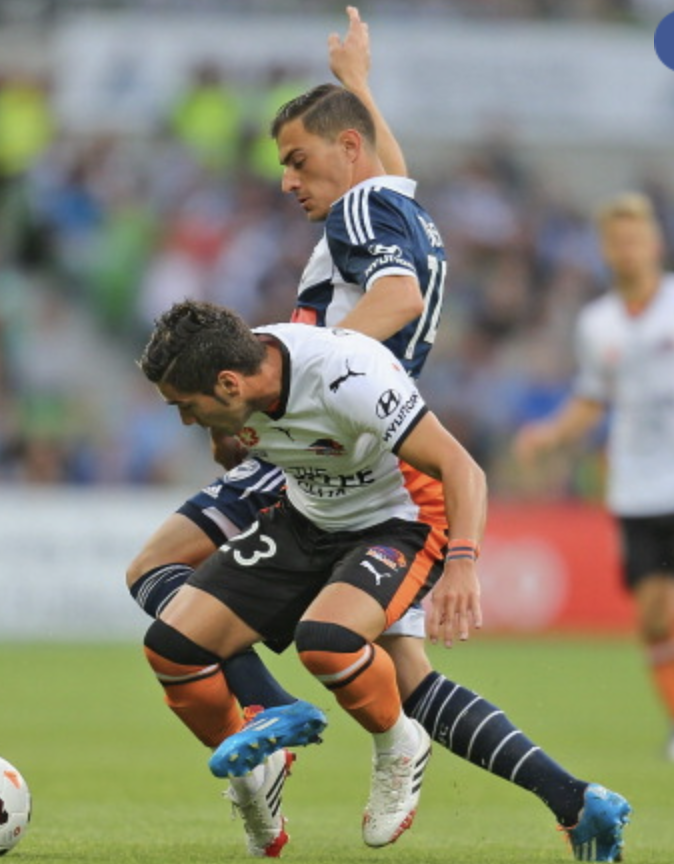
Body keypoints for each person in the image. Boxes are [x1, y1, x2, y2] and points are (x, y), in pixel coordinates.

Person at [128, 8, 632, 863]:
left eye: (298, 160)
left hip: (336, 438)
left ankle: (265, 718)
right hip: (326, 434)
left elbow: (392, 296)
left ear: (347, 153)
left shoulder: (355, 221)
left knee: (160, 575)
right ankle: (572, 797)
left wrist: (320, 374)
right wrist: (359, 84)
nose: (288, 181)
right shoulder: (389, 199)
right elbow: (388, 171)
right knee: (398, 677)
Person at [140, 299, 488, 855]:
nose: (184, 419)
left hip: (397, 523)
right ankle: (257, 768)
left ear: (230, 384)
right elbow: (240, 447)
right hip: (307, 517)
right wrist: (224, 436)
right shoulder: (235, 375)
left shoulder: (347, 377)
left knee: (327, 642)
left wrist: (464, 563)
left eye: (186, 407)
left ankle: (399, 742)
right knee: (172, 648)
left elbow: (461, 467)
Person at [514, 190, 674, 760]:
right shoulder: (598, 323)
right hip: (638, 487)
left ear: (654, 243)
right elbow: (591, 398)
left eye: (635, 238)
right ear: (607, 251)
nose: (627, 250)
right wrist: (550, 434)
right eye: (617, 241)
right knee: (656, 618)